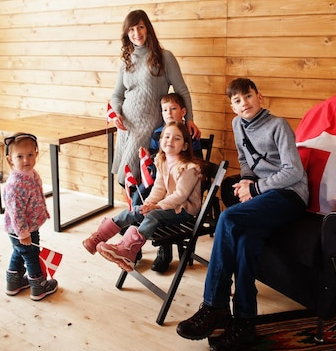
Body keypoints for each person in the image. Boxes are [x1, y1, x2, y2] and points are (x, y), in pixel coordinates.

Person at [176, 78, 309, 351]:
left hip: (289, 195)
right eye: (237, 100)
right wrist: (246, 183)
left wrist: (256, 188)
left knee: (228, 218)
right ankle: (246, 321)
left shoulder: (278, 126)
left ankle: (214, 305)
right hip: (264, 194)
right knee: (246, 241)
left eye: (248, 96)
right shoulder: (237, 125)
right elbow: (246, 161)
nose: (244, 103)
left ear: (260, 97)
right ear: (233, 107)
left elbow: (294, 171)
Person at [82, 121, 203, 273]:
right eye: (166, 136)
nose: (170, 141)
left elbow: (180, 196)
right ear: (160, 141)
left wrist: (156, 206)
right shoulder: (162, 161)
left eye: (177, 138)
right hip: (167, 205)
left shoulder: (189, 168)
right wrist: (148, 204)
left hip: (184, 210)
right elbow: (159, 188)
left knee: (153, 215)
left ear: (185, 146)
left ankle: (127, 251)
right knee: (135, 210)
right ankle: (99, 238)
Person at [110, 9, 200, 189]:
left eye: (140, 27)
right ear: (127, 34)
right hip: (126, 126)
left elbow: (181, 89)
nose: (137, 33)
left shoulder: (164, 57)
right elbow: (117, 95)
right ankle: (136, 213)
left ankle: (140, 214)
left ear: (148, 28)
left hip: (148, 126)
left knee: (137, 175)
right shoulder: (126, 61)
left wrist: (189, 119)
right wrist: (116, 114)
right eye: (132, 30)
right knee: (126, 179)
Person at [134, 92, 203, 273]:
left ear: (183, 111)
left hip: (180, 181)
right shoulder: (158, 133)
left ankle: (164, 251)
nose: (169, 113)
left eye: (173, 108)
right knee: (137, 197)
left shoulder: (190, 133)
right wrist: (148, 161)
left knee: (158, 206)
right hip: (160, 178)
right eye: (165, 109)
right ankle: (135, 248)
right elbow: (158, 162)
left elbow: (196, 162)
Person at [3, 132, 58, 301]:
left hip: (30, 226)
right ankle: (38, 286)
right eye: (20, 156)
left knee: (19, 253)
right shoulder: (15, 185)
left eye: (30, 155)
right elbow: (16, 213)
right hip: (21, 229)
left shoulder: (31, 174)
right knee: (32, 255)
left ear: (36, 154)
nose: (26, 160)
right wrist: (23, 233)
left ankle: (14, 282)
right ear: (10, 159)